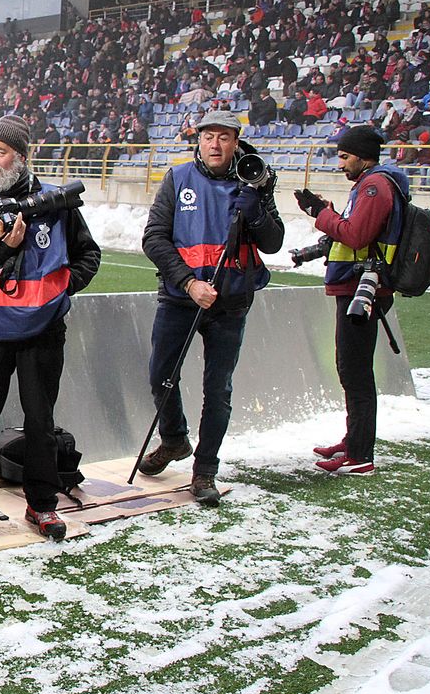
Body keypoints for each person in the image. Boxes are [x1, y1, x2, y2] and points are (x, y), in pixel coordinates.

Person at [0, 115, 101, 539]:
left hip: (43, 330)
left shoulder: (56, 202)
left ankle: (42, 506)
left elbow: (88, 255)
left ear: (21, 158)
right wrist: (0, 248)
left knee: (40, 421)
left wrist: (63, 290)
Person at [139, 110, 285, 505]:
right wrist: (189, 282)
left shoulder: (255, 179)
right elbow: (153, 239)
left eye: (224, 137)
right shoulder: (177, 178)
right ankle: (174, 440)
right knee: (160, 375)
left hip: (232, 301)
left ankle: (205, 471)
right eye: (208, 137)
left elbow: (273, 243)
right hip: (180, 296)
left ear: (236, 141)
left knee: (217, 389)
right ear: (198, 141)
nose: (215, 144)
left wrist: (255, 207)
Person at [294, 126, 407, 476]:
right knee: (351, 370)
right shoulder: (371, 185)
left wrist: (320, 215)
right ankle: (354, 441)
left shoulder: (374, 186)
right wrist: (326, 212)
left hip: (363, 290)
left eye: (345, 156)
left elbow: (356, 234)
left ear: (362, 156)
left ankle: (360, 454)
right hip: (358, 287)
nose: (341, 163)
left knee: (355, 372)